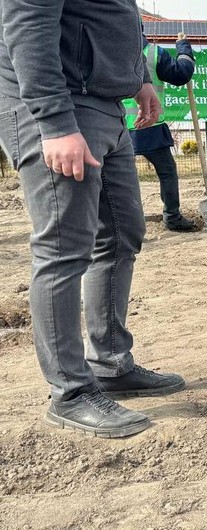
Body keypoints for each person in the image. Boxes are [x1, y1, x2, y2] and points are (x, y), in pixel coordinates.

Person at [0, 2, 186, 438]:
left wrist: (140, 79)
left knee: (123, 234)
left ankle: (111, 364)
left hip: (104, 104)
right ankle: (70, 391)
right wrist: (54, 121)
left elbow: (117, 19)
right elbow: (26, 20)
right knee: (64, 247)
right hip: (57, 107)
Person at [125, 31, 196, 231]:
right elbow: (182, 73)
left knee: (118, 177)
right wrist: (183, 46)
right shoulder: (154, 53)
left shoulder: (109, 49)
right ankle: (172, 217)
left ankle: (124, 222)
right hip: (150, 126)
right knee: (167, 172)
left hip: (116, 127)